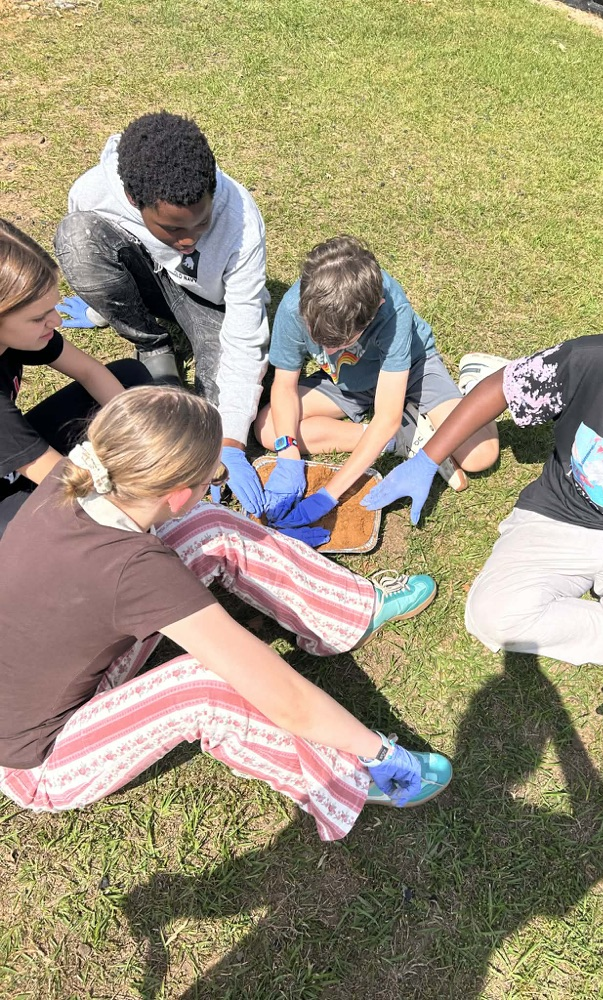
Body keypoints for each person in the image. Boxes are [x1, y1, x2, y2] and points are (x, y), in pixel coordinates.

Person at [363, 276, 603, 999]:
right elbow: (501, 391)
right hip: (557, 521)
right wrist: (428, 457)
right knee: (492, 616)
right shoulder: (589, 361)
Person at [0, 385, 450, 840]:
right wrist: (375, 750)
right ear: (176, 494)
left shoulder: (77, 473)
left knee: (208, 525)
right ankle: (350, 776)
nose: (215, 483)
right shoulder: (136, 570)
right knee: (206, 688)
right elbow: (282, 695)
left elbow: (152, 546)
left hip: (44, 680)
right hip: (37, 759)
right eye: (210, 478)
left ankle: (347, 613)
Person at [53, 111, 270, 518]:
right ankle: (151, 344)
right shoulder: (95, 190)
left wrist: (232, 443)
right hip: (150, 276)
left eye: (202, 222)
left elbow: (244, 334)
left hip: (208, 303)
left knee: (213, 410)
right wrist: (105, 306)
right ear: (135, 200)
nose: (188, 239)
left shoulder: (241, 219)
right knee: (76, 238)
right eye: (171, 229)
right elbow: (90, 236)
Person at [253, 235, 499, 532]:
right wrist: (288, 452)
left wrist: (328, 495)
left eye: (341, 342)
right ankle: (402, 439)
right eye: (321, 341)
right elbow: (284, 386)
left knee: (480, 455)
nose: (329, 351)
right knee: (269, 427)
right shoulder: (296, 307)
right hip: (344, 381)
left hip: (413, 371)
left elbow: (386, 416)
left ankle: (481, 383)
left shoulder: (393, 309)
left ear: (375, 309)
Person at [0, 217, 150, 538]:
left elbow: (89, 371)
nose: (55, 320)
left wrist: (145, 437)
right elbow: (63, 478)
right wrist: (151, 491)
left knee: (129, 378)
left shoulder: (15, 333)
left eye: (52, 309)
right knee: (77, 525)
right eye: (39, 318)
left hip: (16, 453)